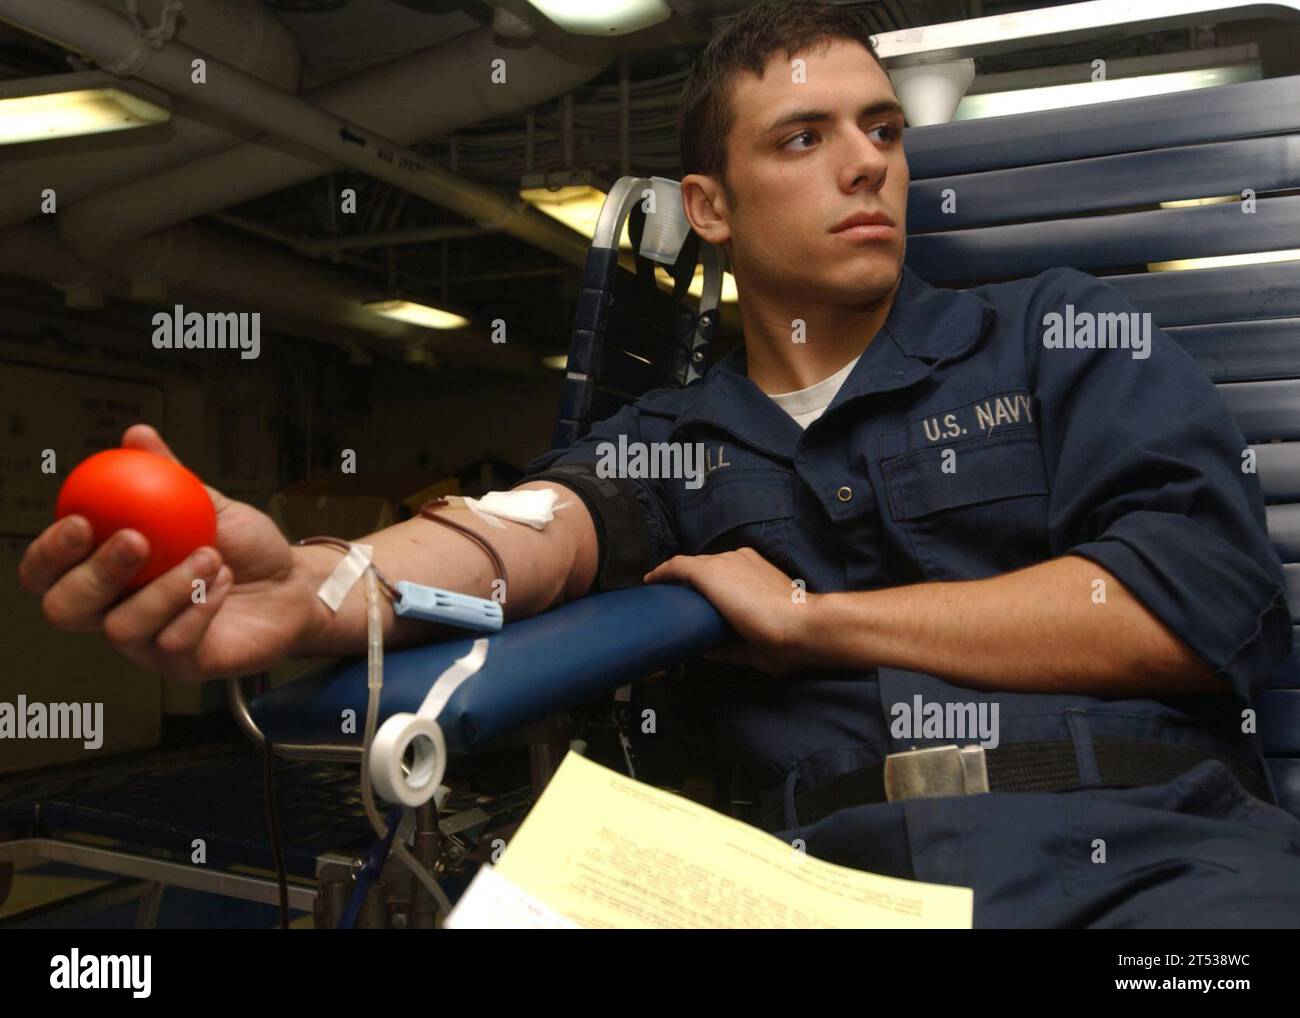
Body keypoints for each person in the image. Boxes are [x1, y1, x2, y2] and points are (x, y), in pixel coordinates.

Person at [19, 0, 1300, 926]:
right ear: (711, 208)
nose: (868, 161)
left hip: (1146, 862)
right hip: (805, 888)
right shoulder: (675, 438)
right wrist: (317, 585)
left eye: (879, 129)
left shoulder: (1058, 339)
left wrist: (814, 621)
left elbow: (1183, 604)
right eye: (802, 139)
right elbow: (529, 531)